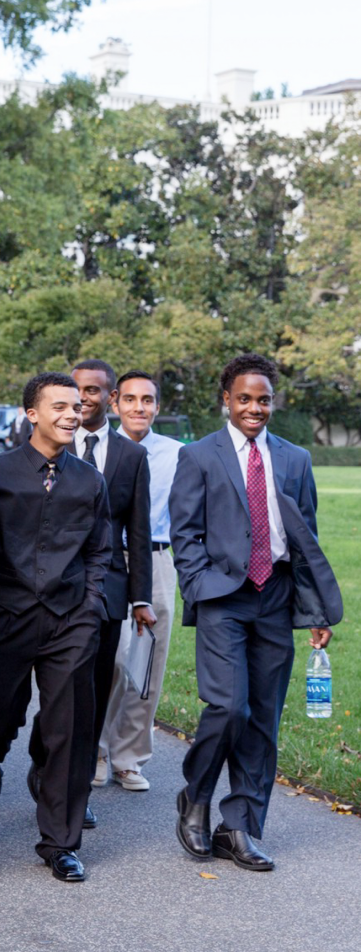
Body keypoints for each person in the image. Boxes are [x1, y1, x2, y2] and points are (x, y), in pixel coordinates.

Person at [170, 353, 341, 871]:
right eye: (244, 398)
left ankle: (239, 826)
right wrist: (201, 586)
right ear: (226, 399)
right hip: (224, 598)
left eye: (263, 399)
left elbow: (306, 540)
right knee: (229, 707)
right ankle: (195, 796)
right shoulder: (199, 455)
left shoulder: (296, 458)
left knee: (263, 718)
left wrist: (314, 611)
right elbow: (185, 533)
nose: (254, 407)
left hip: (277, 597)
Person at [0, 373, 110, 883]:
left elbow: (99, 552)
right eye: (61, 406)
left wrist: (89, 611)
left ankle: (60, 842)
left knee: (69, 729)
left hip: (69, 620)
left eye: (78, 405)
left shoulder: (90, 480)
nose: (74, 413)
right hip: (2, 617)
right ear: (32, 414)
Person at [30, 358, 153, 830]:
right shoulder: (41, 440)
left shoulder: (131, 457)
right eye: (78, 390)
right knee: (53, 698)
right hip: (42, 590)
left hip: (103, 592)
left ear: (110, 397)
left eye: (96, 391)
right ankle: (44, 759)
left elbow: (137, 534)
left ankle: (72, 790)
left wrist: (140, 597)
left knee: (90, 697)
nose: (85, 399)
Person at [95, 371, 182, 792]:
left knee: (147, 661)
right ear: (115, 403)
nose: (138, 408)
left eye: (147, 400)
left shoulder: (178, 454)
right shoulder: (98, 446)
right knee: (112, 657)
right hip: (110, 560)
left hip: (159, 561)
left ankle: (129, 757)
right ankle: (94, 747)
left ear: (157, 407)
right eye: (129, 399)